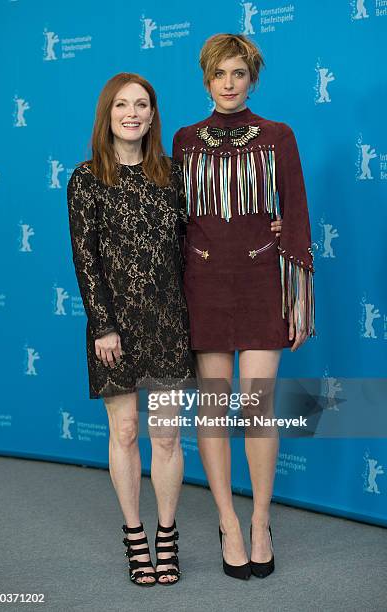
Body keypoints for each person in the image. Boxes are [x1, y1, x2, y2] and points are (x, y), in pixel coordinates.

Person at [172, 34, 315, 580]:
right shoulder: (185, 140)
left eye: (238, 73)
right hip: (203, 281)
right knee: (212, 406)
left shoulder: (279, 135)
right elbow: (175, 219)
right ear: (205, 80)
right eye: (219, 75)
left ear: (252, 78)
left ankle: (260, 521)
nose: (228, 84)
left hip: (261, 279)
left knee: (257, 406)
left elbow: (296, 211)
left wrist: (299, 302)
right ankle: (227, 522)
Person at [67, 73, 197, 586]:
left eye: (142, 104)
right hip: (112, 330)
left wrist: (272, 228)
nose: (132, 113)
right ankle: (134, 535)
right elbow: (86, 258)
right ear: (108, 113)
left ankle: (168, 535)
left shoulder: (173, 174)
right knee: (124, 431)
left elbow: (202, 242)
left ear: (151, 114)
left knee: (165, 436)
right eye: (122, 104)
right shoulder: (85, 178)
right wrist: (103, 325)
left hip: (168, 324)